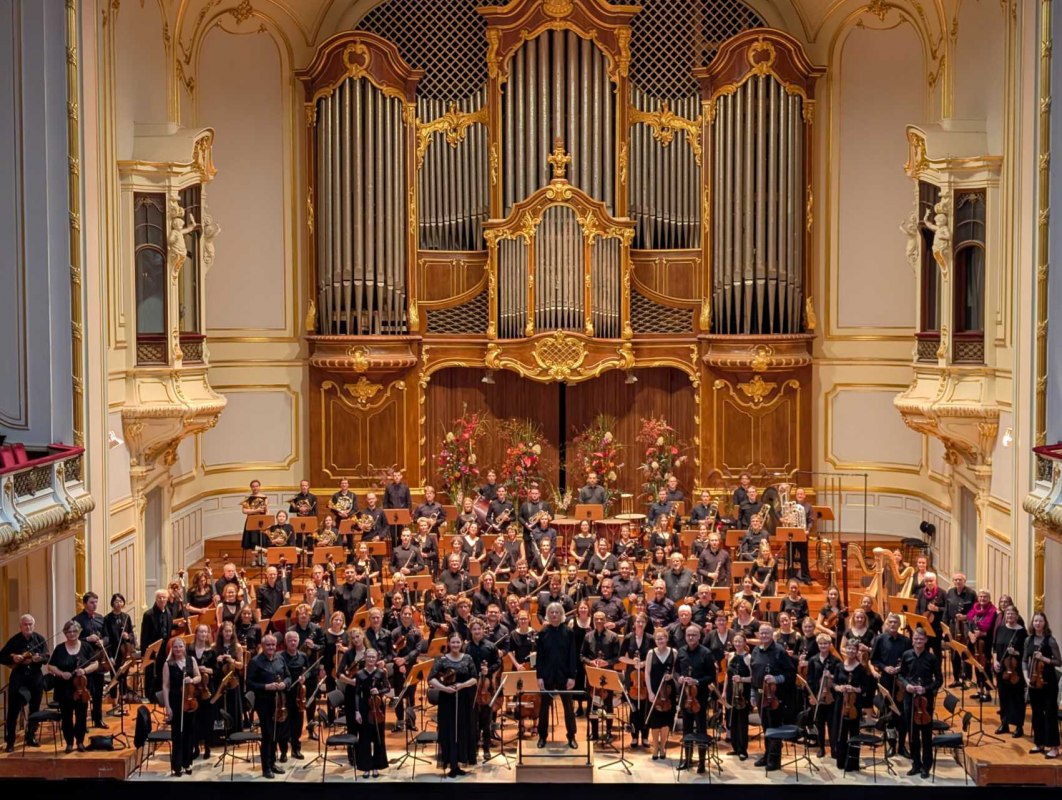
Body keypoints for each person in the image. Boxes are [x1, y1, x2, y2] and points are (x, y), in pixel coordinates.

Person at [429, 633, 478, 777]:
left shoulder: (468, 658)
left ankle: (459, 762)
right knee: (449, 730)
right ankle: (451, 764)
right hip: (447, 700)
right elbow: (431, 679)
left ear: (462, 643)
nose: (455, 645)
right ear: (448, 643)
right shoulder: (441, 660)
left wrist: (462, 685)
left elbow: (474, 678)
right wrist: (444, 688)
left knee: (462, 730)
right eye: (453, 642)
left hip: (463, 699)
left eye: (458, 642)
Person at [750, 622, 796, 771]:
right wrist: (752, 693)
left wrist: (775, 679)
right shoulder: (756, 650)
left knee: (774, 726)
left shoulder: (779, 651)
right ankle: (767, 754)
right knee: (765, 725)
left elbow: (790, 674)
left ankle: (775, 759)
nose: (764, 635)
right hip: (760, 694)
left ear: (772, 634)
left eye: (767, 633)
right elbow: (754, 674)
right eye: (761, 633)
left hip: (775, 695)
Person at [899, 627, 943, 778]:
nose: (918, 641)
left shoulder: (932, 658)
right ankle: (915, 764)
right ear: (913, 640)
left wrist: (926, 689)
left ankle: (926, 765)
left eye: (921, 639)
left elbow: (939, 680)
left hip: (925, 700)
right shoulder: (906, 655)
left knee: (925, 734)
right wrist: (907, 685)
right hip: (909, 699)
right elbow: (900, 675)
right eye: (916, 639)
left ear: (925, 640)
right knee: (912, 734)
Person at [246, 634, 291, 779]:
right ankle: (266, 767)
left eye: (273, 645)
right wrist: (266, 686)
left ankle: (272, 763)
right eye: (268, 645)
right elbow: (249, 683)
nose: (271, 647)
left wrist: (285, 683)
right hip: (264, 703)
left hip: (280, 703)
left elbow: (288, 676)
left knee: (276, 734)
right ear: (263, 646)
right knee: (267, 735)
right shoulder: (255, 662)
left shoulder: (280, 658)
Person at [0, 614, 48, 751]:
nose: (28, 627)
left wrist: (40, 659)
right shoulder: (14, 641)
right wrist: (13, 657)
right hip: (18, 679)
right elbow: (1, 656)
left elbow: (47, 656)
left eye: (30, 624)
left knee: (34, 709)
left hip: (35, 679)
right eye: (25, 624)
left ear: (34, 625)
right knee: (13, 711)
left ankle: (31, 736)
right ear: (20, 626)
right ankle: (10, 741)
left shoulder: (40, 639)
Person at [536, 602, 579, 749]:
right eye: (552, 612)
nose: (554, 615)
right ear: (548, 615)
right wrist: (539, 677)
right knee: (544, 708)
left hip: (564, 676)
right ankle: (542, 736)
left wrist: (572, 677)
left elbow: (573, 656)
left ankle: (571, 736)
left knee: (568, 708)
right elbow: (540, 657)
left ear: (561, 615)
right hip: (547, 676)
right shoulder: (542, 633)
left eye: (557, 612)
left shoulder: (569, 632)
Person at [676, 623, 717, 773]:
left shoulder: (706, 653)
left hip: (700, 698)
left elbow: (712, 677)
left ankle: (701, 763)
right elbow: (676, 671)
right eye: (688, 635)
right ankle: (687, 760)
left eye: (694, 635)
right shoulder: (681, 651)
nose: (691, 637)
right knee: (686, 729)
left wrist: (697, 681)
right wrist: (679, 678)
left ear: (699, 636)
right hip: (685, 697)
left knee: (701, 729)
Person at [870, 613, 912, 757]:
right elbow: (874, 659)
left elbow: (909, 660)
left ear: (899, 625)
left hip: (901, 682)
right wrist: (884, 667)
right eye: (890, 622)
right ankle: (891, 746)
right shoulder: (880, 639)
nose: (893, 624)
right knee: (889, 715)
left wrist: (900, 669)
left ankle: (901, 746)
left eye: (895, 622)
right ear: (887, 624)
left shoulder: (906, 641)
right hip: (886, 680)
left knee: (902, 715)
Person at [161, 637, 202, 776]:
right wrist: (167, 706)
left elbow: (198, 677)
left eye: (180, 647)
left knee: (189, 733)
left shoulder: (192, 660)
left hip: (189, 701)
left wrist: (191, 679)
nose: (178, 649)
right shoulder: (168, 664)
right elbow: (165, 686)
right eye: (175, 647)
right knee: (177, 734)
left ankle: (187, 763)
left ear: (184, 647)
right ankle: (177, 765)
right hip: (175, 701)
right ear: (172, 649)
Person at [1023, 612, 1060, 759]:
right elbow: (1024, 660)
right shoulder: (1028, 640)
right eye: (1035, 621)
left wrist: (1044, 658)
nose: (1037, 623)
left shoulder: (1050, 640)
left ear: (1045, 623)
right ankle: (1039, 743)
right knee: (1036, 713)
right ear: (1033, 623)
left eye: (1040, 621)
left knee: (1050, 714)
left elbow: (1059, 662)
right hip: (1033, 681)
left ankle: (1054, 747)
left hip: (1048, 682)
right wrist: (1026, 677)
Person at [581, 611, 621, 742]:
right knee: (593, 704)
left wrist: (607, 662)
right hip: (593, 674)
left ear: (605, 620)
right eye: (596, 619)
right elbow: (582, 655)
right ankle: (594, 732)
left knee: (608, 704)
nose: (598, 621)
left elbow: (617, 657)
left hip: (607, 674)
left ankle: (608, 731)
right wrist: (590, 662)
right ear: (593, 620)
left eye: (601, 619)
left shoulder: (613, 636)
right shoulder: (588, 636)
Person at [465, 618, 501, 760]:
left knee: (486, 721)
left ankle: (486, 748)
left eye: (479, 629)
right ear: (471, 631)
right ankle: (473, 748)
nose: (477, 631)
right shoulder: (467, 648)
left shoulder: (491, 646)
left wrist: (488, 670)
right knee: (473, 721)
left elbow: (498, 662)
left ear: (483, 630)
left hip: (486, 688)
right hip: (471, 686)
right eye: (474, 629)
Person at [354, 648, 393, 778]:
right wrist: (357, 711)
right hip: (365, 708)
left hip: (378, 708)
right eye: (369, 657)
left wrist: (379, 691)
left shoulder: (381, 673)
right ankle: (366, 767)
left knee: (378, 737)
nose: (371, 659)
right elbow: (356, 694)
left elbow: (388, 688)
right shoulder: (359, 674)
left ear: (376, 659)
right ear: (365, 657)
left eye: (373, 657)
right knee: (364, 738)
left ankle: (377, 765)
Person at [832, 638, 869, 771]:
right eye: (849, 648)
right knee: (840, 732)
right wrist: (839, 688)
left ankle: (852, 763)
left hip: (854, 705)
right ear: (845, 649)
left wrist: (853, 689)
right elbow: (834, 683)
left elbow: (865, 688)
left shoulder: (861, 669)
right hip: (841, 703)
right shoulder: (839, 666)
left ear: (857, 651)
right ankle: (841, 761)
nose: (851, 650)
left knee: (853, 733)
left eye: (854, 648)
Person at [72, 591, 108, 729]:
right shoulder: (77, 620)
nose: (95, 605)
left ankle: (97, 719)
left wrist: (103, 642)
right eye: (92, 602)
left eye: (96, 602)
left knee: (98, 692)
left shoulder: (100, 618)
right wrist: (87, 639)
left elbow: (107, 636)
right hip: (85, 661)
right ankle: (82, 722)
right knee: (85, 692)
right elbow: (72, 639)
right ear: (85, 603)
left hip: (98, 659)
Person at [992, 605, 1026, 738]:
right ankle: (1004, 723)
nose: (1010, 616)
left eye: (1012, 614)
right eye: (1008, 614)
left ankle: (1019, 726)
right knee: (1004, 697)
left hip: (1015, 671)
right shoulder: (1000, 629)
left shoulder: (1022, 632)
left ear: (1017, 616)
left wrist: (1016, 652)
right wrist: (995, 661)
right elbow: (995, 648)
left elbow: (1025, 653)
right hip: (1002, 669)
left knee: (1017, 698)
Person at [620, 612, 653, 749]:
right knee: (633, 707)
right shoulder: (628, 638)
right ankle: (634, 736)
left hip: (645, 675)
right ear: (633, 624)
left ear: (645, 624)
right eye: (638, 621)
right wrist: (632, 662)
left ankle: (645, 736)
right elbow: (621, 657)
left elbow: (654, 655)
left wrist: (644, 663)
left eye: (642, 622)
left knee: (645, 707)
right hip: (632, 676)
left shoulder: (650, 639)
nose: (640, 624)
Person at [644, 627, 677, 760]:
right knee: (655, 722)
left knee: (666, 721)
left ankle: (663, 747)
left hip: (668, 692)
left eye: (662, 638)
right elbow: (647, 672)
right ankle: (655, 747)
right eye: (657, 639)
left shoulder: (674, 652)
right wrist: (650, 692)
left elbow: (676, 670)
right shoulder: (651, 653)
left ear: (666, 639)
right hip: (655, 691)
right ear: (655, 640)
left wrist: (672, 676)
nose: (660, 641)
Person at [806, 633, 840, 759]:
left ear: (830, 645)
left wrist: (831, 676)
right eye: (820, 644)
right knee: (819, 724)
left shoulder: (835, 661)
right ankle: (821, 748)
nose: (823, 646)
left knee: (832, 724)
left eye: (825, 643)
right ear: (817, 645)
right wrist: (812, 695)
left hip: (831, 697)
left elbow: (838, 678)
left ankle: (833, 748)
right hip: (817, 696)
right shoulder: (813, 660)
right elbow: (809, 679)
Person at [278, 631, 310, 762]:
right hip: (285, 695)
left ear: (298, 642)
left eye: (295, 640)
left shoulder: (303, 656)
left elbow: (309, 671)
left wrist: (304, 677)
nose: (293, 642)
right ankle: (283, 752)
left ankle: (296, 750)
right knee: (284, 725)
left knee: (298, 724)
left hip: (298, 694)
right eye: (290, 640)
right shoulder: (280, 657)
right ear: (286, 642)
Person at [188, 623, 216, 760]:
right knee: (194, 720)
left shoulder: (211, 651)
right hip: (193, 690)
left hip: (207, 689)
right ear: (196, 634)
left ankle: (207, 747)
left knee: (207, 720)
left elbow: (215, 671)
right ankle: (195, 747)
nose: (203, 635)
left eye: (206, 632)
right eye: (201, 632)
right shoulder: (189, 650)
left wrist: (206, 670)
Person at [944, 572, 977, 687]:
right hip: (953, 626)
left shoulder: (971, 593)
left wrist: (966, 617)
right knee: (954, 654)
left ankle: (967, 679)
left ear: (964, 581)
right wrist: (945, 627)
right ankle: (956, 678)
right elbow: (946, 611)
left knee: (965, 652)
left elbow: (975, 611)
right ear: (953, 581)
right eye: (956, 580)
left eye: (960, 580)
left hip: (966, 626)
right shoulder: (950, 592)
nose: (958, 582)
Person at [102, 593, 136, 702]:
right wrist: (110, 656)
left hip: (125, 651)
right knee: (114, 676)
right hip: (113, 651)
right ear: (112, 603)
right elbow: (106, 637)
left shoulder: (126, 617)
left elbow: (131, 633)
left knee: (124, 677)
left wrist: (128, 636)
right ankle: (113, 700)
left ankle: (123, 698)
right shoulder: (107, 618)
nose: (119, 603)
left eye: (121, 601)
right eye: (116, 601)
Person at [213, 620, 245, 734]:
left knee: (232, 706)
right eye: (226, 631)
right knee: (219, 706)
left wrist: (232, 660)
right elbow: (212, 666)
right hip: (219, 680)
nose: (228, 633)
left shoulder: (237, 646)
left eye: (230, 631)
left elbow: (241, 665)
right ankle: (220, 732)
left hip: (232, 680)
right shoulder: (215, 646)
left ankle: (234, 732)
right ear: (221, 632)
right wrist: (217, 660)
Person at [725, 633, 752, 760]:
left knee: (742, 722)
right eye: (735, 641)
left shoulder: (748, 658)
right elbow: (727, 675)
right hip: (731, 692)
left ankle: (743, 750)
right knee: (732, 720)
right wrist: (724, 691)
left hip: (742, 693)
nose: (737, 644)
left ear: (745, 643)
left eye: (740, 641)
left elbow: (753, 678)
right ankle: (735, 748)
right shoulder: (730, 655)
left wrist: (741, 679)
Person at [915, 572, 945, 658]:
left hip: (936, 627)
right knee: (924, 650)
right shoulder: (921, 592)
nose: (929, 583)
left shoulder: (942, 593)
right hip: (924, 627)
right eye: (927, 581)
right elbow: (917, 607)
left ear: (935, 581)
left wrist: (937, 609)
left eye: (931, 581)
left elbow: (946, 609)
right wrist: (920, 618)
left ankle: (937, 670)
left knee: (937, 652)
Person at [240, 479, 269, 555]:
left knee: (262, 540)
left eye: (257, 486)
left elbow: (267, 510)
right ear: (251, 488)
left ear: (259, 487)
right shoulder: (247, 498)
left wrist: (268, 519)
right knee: (253, 541)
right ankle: (253, 560)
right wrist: (256, 510)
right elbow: (244, 511)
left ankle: (261, 559)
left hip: (261, 521)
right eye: (253, 486)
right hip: (251, 521)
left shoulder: (264, 497)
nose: (255, 488)